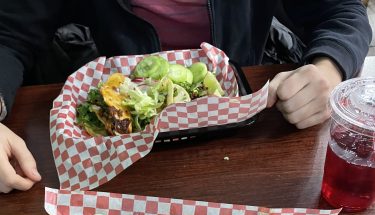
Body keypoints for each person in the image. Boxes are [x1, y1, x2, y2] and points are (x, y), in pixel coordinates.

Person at [0, 1, 372, 194]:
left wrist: (328, 69)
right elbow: (10, 33)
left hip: (244, 131)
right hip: (118, 146)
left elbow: (341, 11)